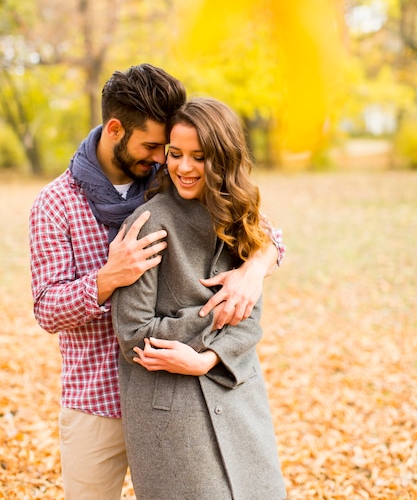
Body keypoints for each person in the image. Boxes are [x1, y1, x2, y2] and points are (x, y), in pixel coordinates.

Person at [29, 64, 284, 500]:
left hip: (180, 392)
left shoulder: (170, 177)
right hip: (98, 396)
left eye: (165, 147)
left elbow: (265, 235)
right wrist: (107, 279)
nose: (161, 157)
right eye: (154, 147)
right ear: (115, 129)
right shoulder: (56, 203)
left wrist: (252, 272)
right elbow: (47, 308)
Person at [111, 97, 287, 500]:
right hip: (172, 414)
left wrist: (206, 360)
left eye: (199, 156)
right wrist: (217, 317)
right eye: (175, 154)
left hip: (237, 393)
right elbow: (133, 333)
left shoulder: (242, 216)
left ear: (224, 158)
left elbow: (251, 315)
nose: (184, 168)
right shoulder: (148, 224)